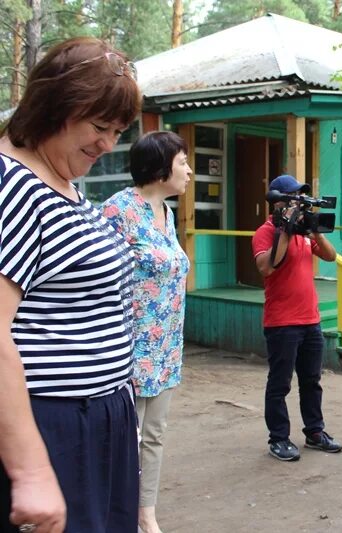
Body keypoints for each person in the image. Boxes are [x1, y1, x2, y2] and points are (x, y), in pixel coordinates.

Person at [0, 37, 140, 532]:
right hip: (51, 426)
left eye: (118, 131)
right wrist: (31, 470)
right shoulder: (12, 187)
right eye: (99, 127)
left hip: (97, 418)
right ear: (53, 107)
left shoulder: (60, 180)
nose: (108, 144)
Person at [102, 132, 192, 533]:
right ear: (160, 167)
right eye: (183, 162)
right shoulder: (117, 211)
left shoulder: (167, 214)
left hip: (167, 349)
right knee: (123, 443)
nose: (189, 170)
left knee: (154, 437)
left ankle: (145, 514)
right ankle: (112, 516)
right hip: (129, 353)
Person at [253, 175, 342, 461]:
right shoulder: (265, 232)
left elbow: (331, 256)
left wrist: (315, 231)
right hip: (282, 323)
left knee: (311, 381)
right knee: (280, 384)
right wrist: (285, 230)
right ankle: (278, 439)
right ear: (278, 202)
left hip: (310, 321)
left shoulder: (304, 235)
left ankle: (315, 432)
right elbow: (268, 268)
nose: (299, 204)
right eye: (293, 198)